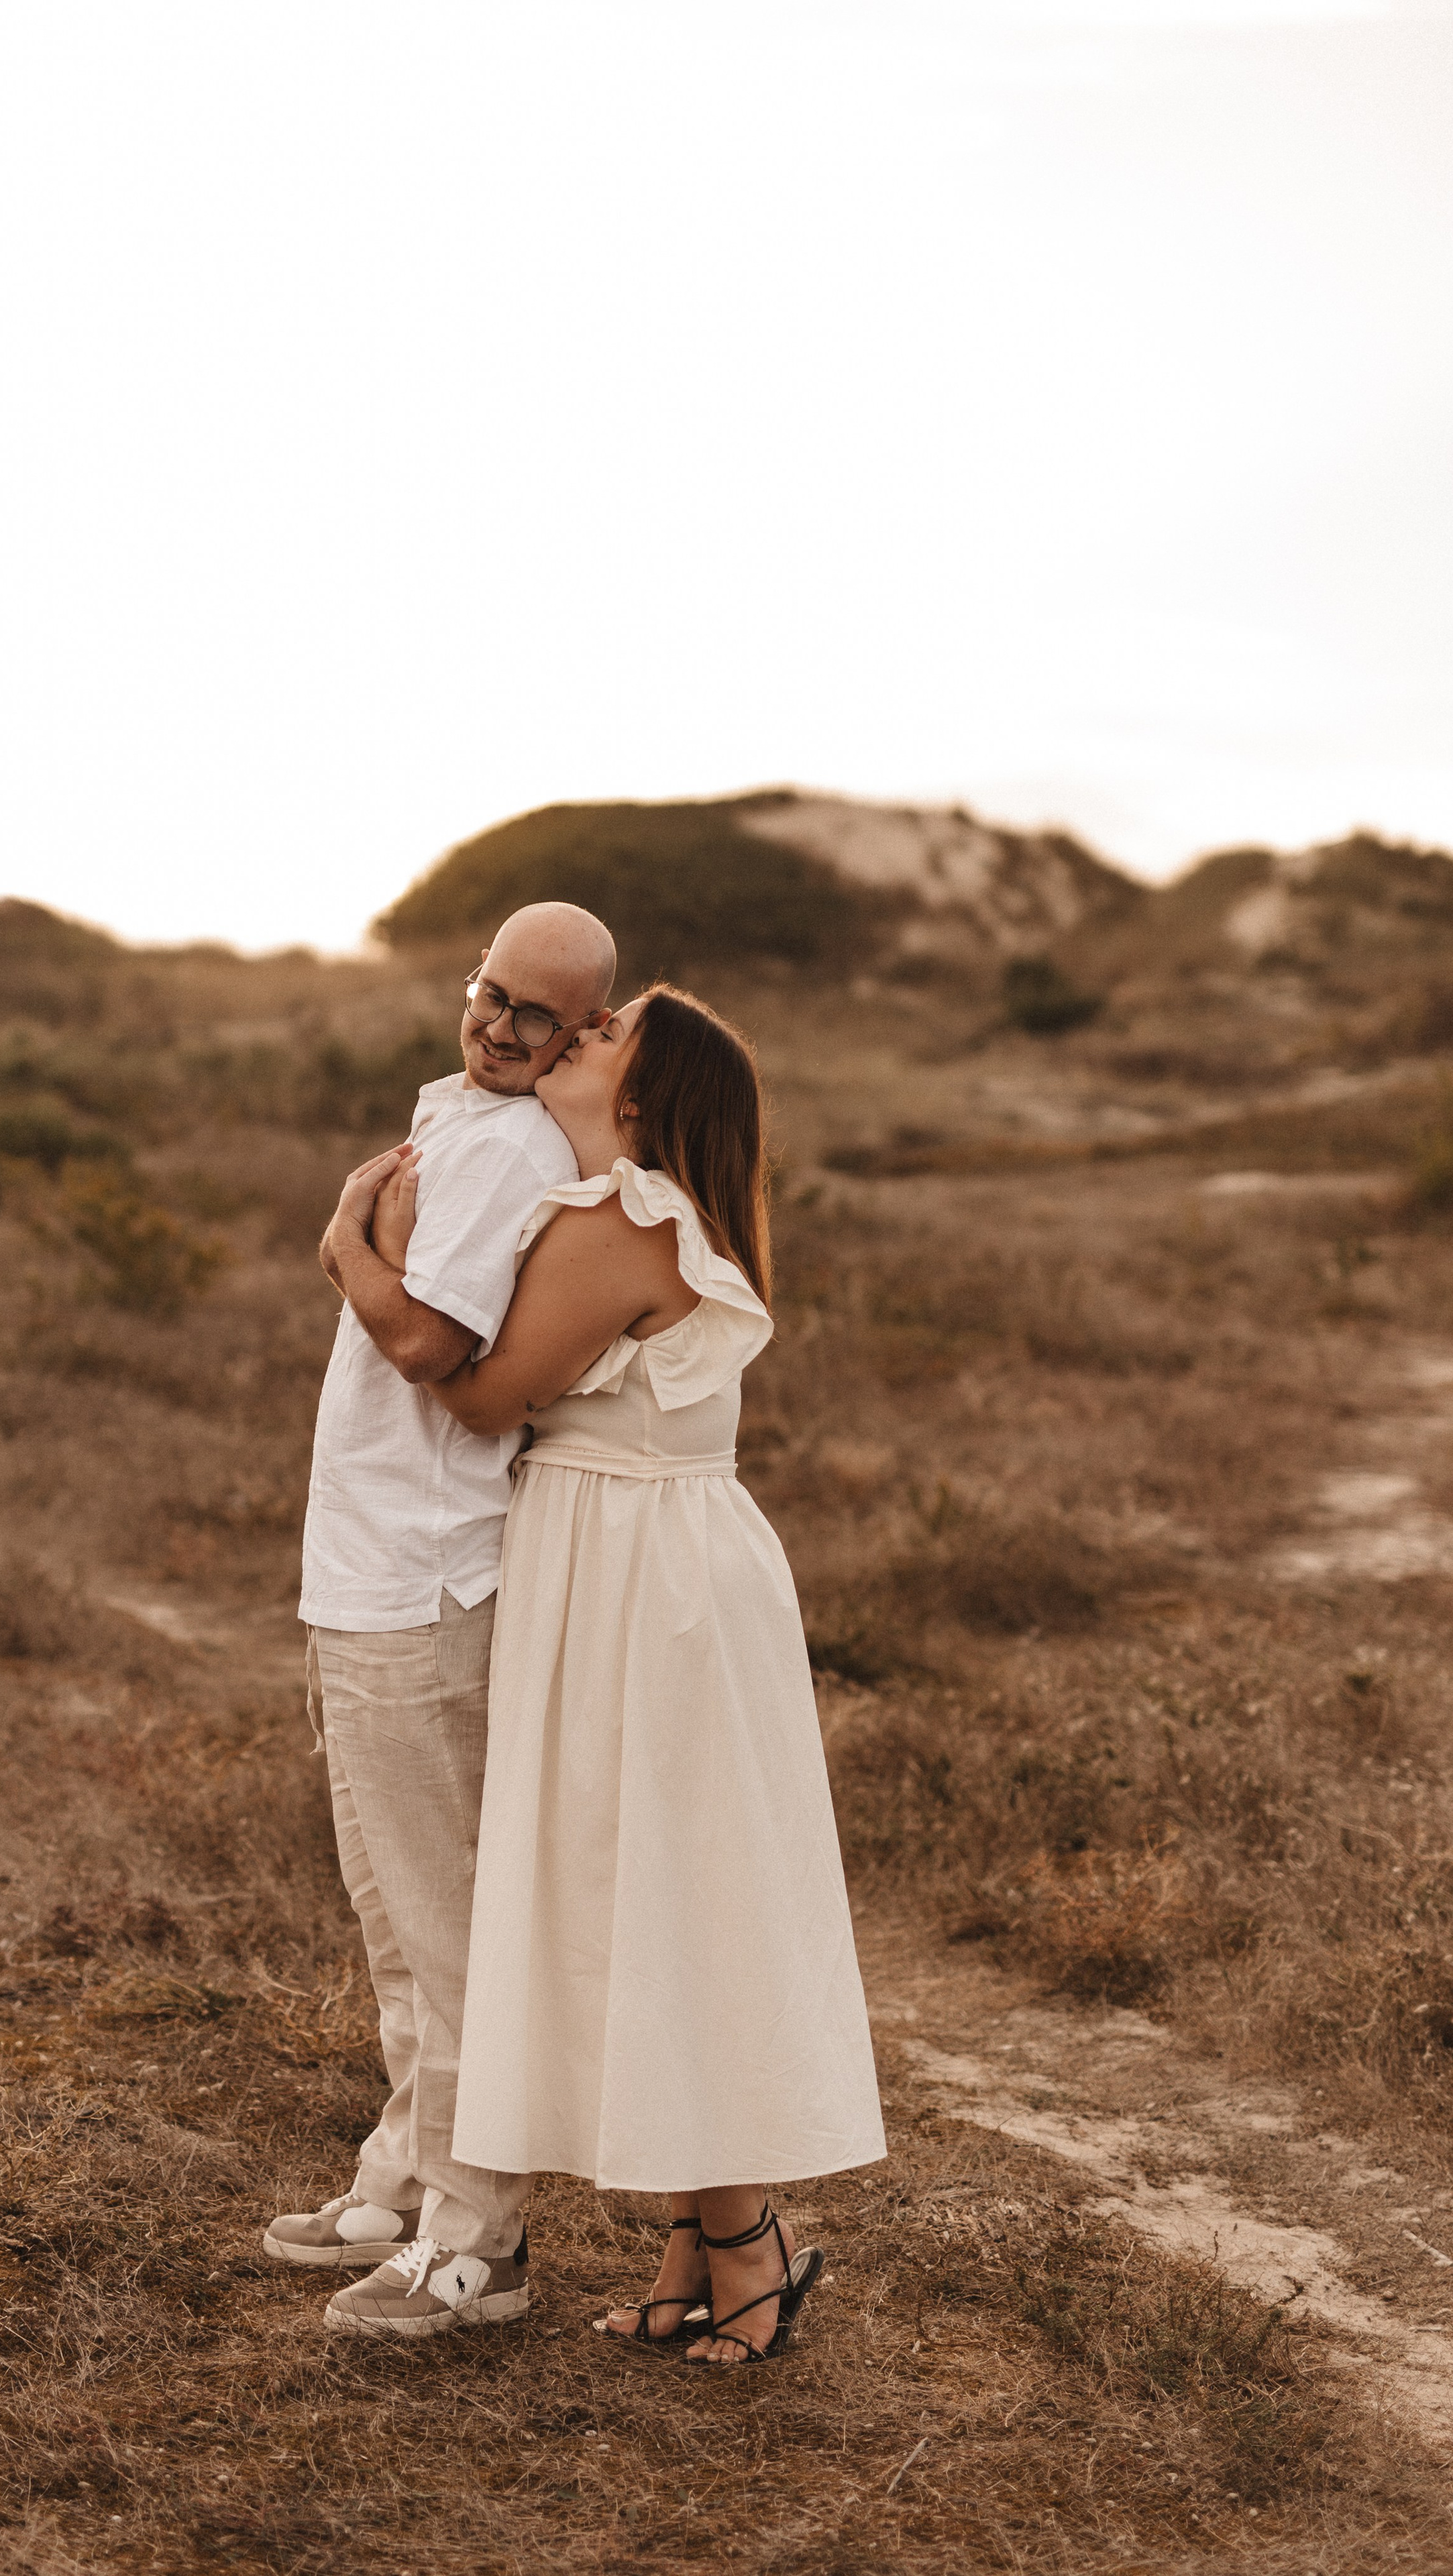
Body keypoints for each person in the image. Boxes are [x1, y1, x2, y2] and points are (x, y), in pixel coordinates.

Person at [347, 983, 885, 2363]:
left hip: (641, 1583)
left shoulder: (617, 1220)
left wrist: (354, 1256)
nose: (570, 1039)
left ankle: (742, 2239)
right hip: (659, 1566)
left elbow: (474, 1391)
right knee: (659, 1899)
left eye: (600, 1037)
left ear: (637, 1101)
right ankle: (694, 2240)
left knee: (666, 1896)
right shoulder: (657, 1214)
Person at [262, 901, 616, 2337]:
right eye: (491, 993)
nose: (501, 1027)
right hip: (366, 1567)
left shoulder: (512, 1149)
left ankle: (482, 2243)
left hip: (421, 1576)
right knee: (393, 1918)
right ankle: (404, 2176)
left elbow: (433, 1343)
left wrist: (341, 1237)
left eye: (538, 1015)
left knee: (444, 1923)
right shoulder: (461, 1113)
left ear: (584, 1033)